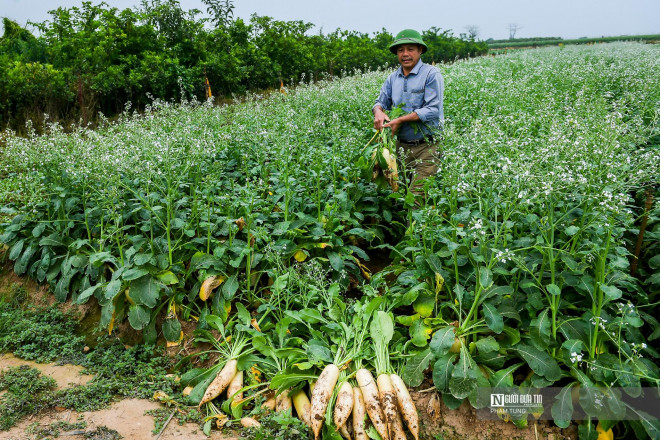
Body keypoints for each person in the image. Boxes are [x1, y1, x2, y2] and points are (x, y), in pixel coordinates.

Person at [372, 29, 444, 196]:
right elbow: (380, 102)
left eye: (410, 49)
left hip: (427, 146)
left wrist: (400, 120)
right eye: (400, 50)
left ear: (420, 50)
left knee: (416, 199)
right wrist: (378, 112)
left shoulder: (431, 74)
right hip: (401, 148)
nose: (405, 54)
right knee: (401, 195)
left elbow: (433, 109)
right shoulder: (392, 78)